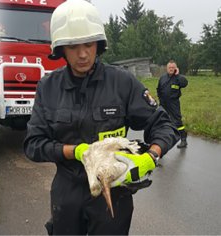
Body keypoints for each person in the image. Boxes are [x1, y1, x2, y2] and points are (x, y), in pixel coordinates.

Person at [23, 0, 179, 235]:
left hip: (114, 194)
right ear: (61, 49)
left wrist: (151, 156)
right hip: (67, 194)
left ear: (99, 44)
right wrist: (75, 151)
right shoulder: (48, 88)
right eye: (73, 46)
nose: (83, 54)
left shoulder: (122, 83)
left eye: (88, 44)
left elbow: (164, 125)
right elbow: (33, 145)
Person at [157, 60, 189, 148]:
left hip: (173, 103)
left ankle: (183, 139)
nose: (171, 69)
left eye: (173, 68)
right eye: (169, 68)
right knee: (162, 120)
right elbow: (158, 88)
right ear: (167, 68)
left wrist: (177, 75)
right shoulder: (163, 77)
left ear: (176, 68)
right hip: (163, 103)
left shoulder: (179, 78)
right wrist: (160, 98)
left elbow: (185, 84)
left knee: (177, 121)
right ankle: (162, 139)